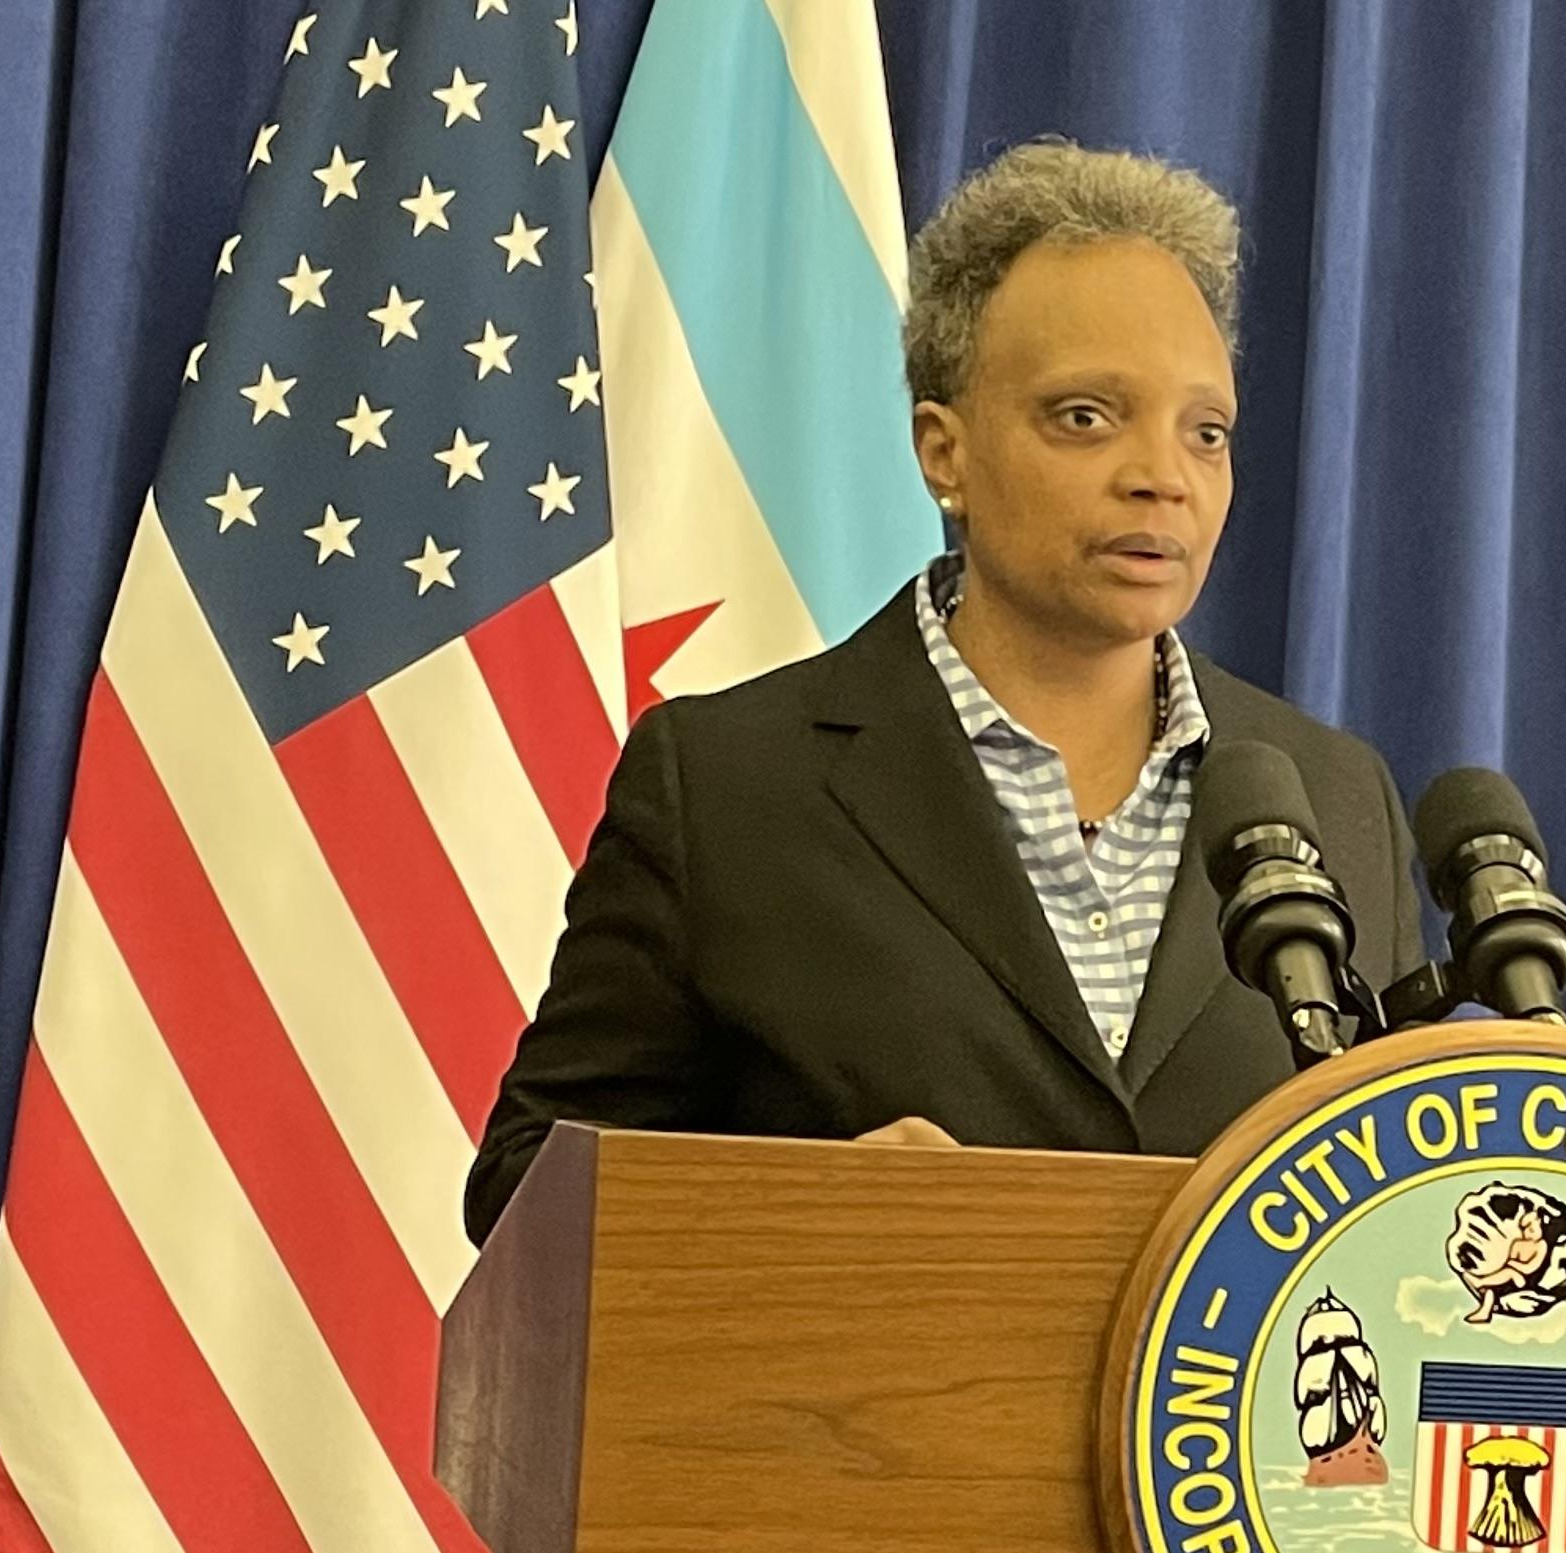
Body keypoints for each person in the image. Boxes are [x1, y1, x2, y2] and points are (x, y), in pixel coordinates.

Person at [465, 142, 1422, 1243]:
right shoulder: (728, 787)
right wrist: (798, 1213)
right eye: (1085, 417)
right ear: (943, 453)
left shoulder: (1334, 797)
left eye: (1205, 431)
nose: (1163, 474)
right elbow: (523, 1190)